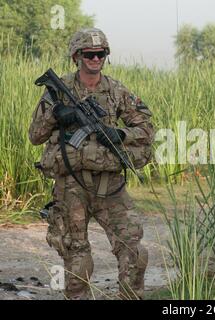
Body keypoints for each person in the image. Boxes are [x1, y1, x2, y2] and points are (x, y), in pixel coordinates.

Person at [29, 28, 154, 300]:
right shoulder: (58, 91)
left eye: (101, 54)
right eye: (90, 54)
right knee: (77, 259)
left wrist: (120, 133)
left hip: (111, 186)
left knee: (134, 251)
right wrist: (56, 115)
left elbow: (146, 128)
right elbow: (35, 136)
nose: (96, 59)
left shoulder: (117, 90)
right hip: (71, 186)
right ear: (76, 56)